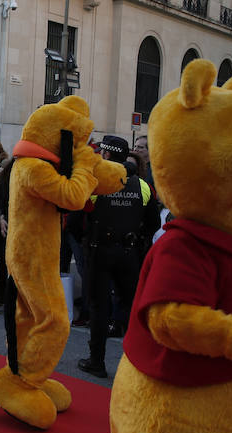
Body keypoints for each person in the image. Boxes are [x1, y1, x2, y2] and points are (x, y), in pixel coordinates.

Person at [77, 135, 160, 378]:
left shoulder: (96, 184)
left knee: (99, 307)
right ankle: (135, 365)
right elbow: (153, 222)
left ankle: (97, 361)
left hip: (99, 252)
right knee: (131, 308)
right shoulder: (143, 185)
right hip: (129, 253)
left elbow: (77, 218)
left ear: (107, 155)